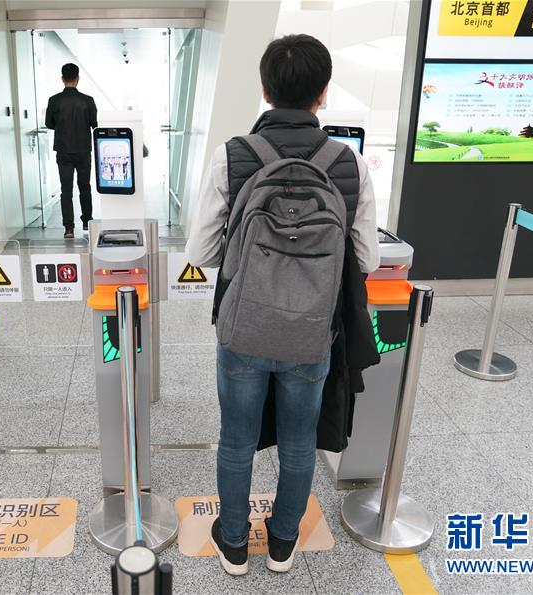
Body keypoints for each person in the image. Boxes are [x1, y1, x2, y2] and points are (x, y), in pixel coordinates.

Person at [186, 34, 379, 576]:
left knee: (236, 441)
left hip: (243, 330)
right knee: (299, 443)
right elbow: (365, 258)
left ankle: (232, 543)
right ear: (323, 93)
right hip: (313, 335)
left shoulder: (233, 156)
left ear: (265, 90)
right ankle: (282, 544)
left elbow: (201, 253)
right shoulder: (349, 164)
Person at [45, 63, 98, 239]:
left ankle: (68, 228)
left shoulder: (54, 100)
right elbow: (95, 124)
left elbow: (49, 124)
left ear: (62, 78)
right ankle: (87, 222)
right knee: (85, 187)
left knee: (66, 190)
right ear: (77, 78)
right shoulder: (88, 100)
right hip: (83, 151)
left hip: (63, 151)